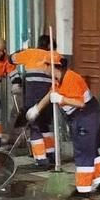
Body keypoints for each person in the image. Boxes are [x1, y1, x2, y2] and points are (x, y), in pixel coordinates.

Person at [27, 64, 100, 197]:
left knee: (83, 151)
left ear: (55, 67)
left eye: (45, 66)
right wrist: (37, 108)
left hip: (85, 114)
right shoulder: (57, 80)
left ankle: (83, 189)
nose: (43, 70)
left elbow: (80, 103)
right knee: (89, 149)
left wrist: (62, 99)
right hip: (78, 115)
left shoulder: (72, 78)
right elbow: (50, 94)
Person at [11, 34, 63, 167]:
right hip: (48, 99)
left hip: (32, 98)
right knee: (46, 126)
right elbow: (63, 65)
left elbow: (11, 59)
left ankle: (41, 159)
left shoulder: (30, 53)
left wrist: (22, 50)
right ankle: (51, 155)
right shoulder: (55, 56)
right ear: (51, 46)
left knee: (35, 128)